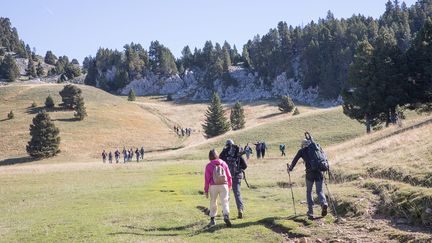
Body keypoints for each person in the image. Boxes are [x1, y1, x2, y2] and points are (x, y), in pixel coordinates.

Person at [287, 139, 328, 220]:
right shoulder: (317, 148)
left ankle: (311, 212)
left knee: (309, 191)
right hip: (319, 172)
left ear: (303, 145)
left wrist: (290, 168)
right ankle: (324, 203)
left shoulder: (301, 151)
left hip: (309, 174)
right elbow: (324, 157)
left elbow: (295, 160)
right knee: (319, 191)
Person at [220, 139, 248, 219]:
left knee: (226, 194)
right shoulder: (237, 152)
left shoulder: (224, 153)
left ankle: (225, 211)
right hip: (237, 176)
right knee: (237, 193)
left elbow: (219, 163)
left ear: (226, 144)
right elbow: (245, 166)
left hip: (226, 177)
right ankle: (240, 210)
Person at [204, 149, 232, 227]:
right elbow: (229, 176)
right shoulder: (224, 163)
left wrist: (206, 190)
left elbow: (207, 179)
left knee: (213, 202)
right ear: (217, 155)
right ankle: (226, 215)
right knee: (225, 201)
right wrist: (229, 186)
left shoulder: (209, 165)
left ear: (209, 157)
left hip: (213, 186)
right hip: (224, 185)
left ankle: (212, 219)